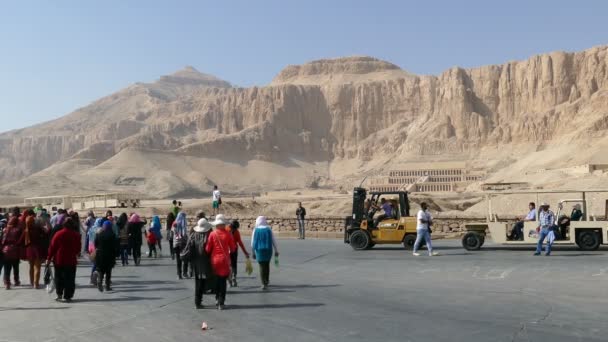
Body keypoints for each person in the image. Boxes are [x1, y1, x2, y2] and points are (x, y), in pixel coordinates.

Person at [46, 217, 81, 302]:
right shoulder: (76, 235)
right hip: (71, 260)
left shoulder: (58, 234)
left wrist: (49, 258)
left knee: (59, 277)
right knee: (70, 278)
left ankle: (59, 294)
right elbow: (78, 249)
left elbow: (52, 247)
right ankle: (68, 296)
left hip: (59, 260)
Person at [205, 214, 236, 310]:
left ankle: (217, 298)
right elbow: (233, 248)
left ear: (216, 224)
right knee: (223, 282)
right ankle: (221, 302)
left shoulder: (212, 234)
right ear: (223, 224)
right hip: (225, 261)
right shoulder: (228, 234)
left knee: (217, 281)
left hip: (215, 261)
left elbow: (207, 249)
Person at [187, 218, 213, 309]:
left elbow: (189, 247)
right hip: (206, 261)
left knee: (198, 281)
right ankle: (199, 300)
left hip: (196, 262)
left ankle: (197, 302)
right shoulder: (209, 235)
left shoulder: (193, 235)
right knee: (204, 281)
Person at [251, 216, 279, 290]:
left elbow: (253, 242)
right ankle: (266, 280)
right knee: (267, 265)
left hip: (259, 250)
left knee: (261, 266)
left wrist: (253, 252)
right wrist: (276, 250)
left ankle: (263, 283)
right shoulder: (269, 229)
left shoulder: (255, 230)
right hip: (268, 250)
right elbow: (274, 241)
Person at [24, 210, 47, 289]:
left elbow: (21, 241)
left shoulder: (26, 230)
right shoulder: (37, 228)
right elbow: (45, 235)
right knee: (37, 267)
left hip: (29, 250)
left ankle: (31, 281)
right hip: (37, 249)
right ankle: (36, 284)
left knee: (31, 267)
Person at [1, 207, 23, 289]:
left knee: (7, 268)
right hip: (15, 251)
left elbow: (3, 241)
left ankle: (7, 283)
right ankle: (16, 281)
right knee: (15, 267)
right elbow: (20, 240)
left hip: (6, 251)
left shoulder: (5, 230)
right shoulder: (18, 229)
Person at [95, 221, 117, 292]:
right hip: (110, 255)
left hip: (100, 255)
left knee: (101, 270)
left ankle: (100, 281)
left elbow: (95, 244)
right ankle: (107, 286)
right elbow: (115, 246)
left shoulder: (99, 234)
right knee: (108, 271)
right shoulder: (112, 235)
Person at [228, 220, 250, 287]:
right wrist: (245, 253)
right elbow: (240, 243)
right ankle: (234, 277)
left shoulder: (226, 230)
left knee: (229, 266)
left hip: (228, 250)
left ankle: (230, 280)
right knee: (234, 265)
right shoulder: (236, 232)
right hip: (233, 250)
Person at [173, 212, 190, 279]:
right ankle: (185, 273)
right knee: (185, 258)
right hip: (183, 243)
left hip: (176, 244)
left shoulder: (175, 224)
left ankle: (179, 274)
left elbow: (174, 234)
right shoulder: (184, 224)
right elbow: (184, 234)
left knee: (178, 260)